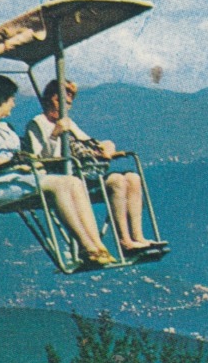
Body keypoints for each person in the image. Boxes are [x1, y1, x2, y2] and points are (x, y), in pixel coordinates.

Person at [0, 74, 114, 268]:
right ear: (1, 99)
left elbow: (25, 152)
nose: (13, 105)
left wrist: (27, 159)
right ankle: (86, 246)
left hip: (22, 178)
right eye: (11, 100)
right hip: (2, 185)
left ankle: (97, 245)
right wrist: (12, 160)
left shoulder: (7, 127)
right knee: (61, 184)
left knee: (74, 182)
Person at [26, 79, 161, 255]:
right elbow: (40, 159)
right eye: (62, 100)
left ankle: (138, 236)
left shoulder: (69, 123)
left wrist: (106, 147)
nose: (66, 106)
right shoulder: (37, 124)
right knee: (117, 182)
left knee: (133, 178)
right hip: (66, 178)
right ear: (51, 98)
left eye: (69, 102)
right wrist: (55, 135)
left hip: (86, 173)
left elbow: (88, 142)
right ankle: (125, 241)